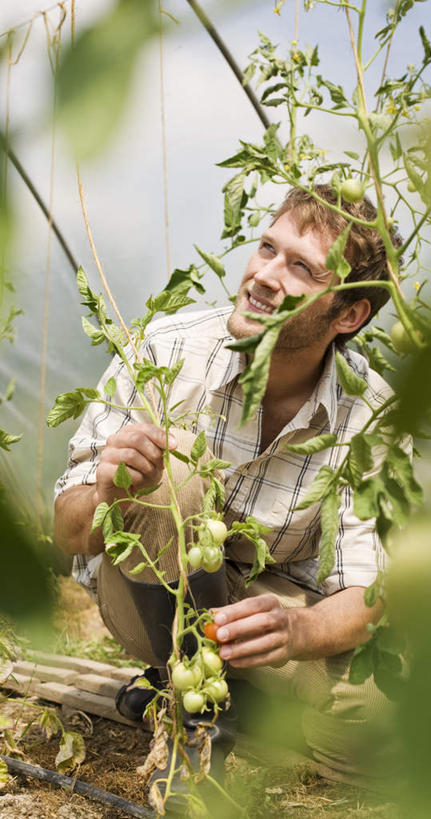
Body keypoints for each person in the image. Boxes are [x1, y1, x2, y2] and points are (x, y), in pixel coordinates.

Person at [54, 184, 402, 793]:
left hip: (266, 605)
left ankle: (234, 693)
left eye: (302, 268)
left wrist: (298, 631)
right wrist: (109, 492)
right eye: (267, 248)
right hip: (149, 590)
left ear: (348, 316)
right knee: (173, 469)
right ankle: (192, 730)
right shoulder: (167, 348)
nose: (264, 275)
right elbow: (68, 530)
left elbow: (366, 592)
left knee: (376, 720)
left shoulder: (370, 414)